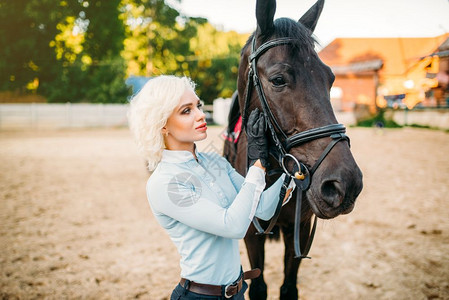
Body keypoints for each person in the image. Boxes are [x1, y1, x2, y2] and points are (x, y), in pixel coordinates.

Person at [127, 75, 293, 299]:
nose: (200, 115)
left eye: (198, 106)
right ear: (162, 125)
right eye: (186, 111)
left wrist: (291, 170)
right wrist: (257, 164)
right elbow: (232, 226)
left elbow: (261, 208)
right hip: (199, 295)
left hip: (236, 293)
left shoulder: (215, 162)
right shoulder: (164, 183)